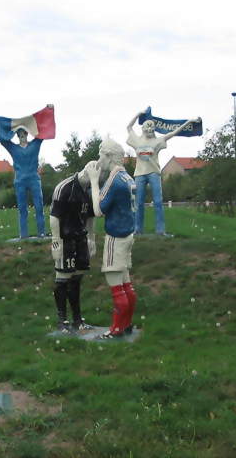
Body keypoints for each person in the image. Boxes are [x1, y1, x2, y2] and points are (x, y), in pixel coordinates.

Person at [87, 138, 138, 338]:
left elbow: (98, 210)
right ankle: (126, 324)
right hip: (128, 234)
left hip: (116, 237)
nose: (99, 159)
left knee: (116, 284)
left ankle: (116, 329)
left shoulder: (114, 180)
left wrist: (93, 180)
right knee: (126, 283)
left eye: (101, 154)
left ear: (109, 156)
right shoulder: (128, 178)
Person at [126, 110, 200, 235]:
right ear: (143, 128)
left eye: (152, 128)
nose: (150, 130)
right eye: (147, 128)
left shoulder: (158, 141)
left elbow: (175, 132)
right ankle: (137, 230)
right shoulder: (136, 140)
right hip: (139, 174)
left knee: (158, 202)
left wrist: (189, 121)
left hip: (154, 173)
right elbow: (128, 126)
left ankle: (160, 231)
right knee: (138, 203)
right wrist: (139, 113)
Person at [50, 161, 98, 333]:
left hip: (81, 238)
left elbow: (91, 216)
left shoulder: (91, 190)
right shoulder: (65, 188)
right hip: (65, 238)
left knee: (77, 278)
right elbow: (54, 216)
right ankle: (61, 320)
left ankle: (77, 319)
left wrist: (91, 237)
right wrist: (56, 241)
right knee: (62, 277)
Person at [0, 127, 45, 238]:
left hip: (34, 179)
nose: (22, 135)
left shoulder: (34, 145)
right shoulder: (13, 148)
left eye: (24, 133)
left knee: (39, 207)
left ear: (27, 134)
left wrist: (48, 110)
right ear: (17, 136)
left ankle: (42, 233)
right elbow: (1, 138)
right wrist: (6, 128)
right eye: (19, 134)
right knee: (22, 209)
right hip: (20, 182)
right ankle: (23, 236)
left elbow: (43, 132)